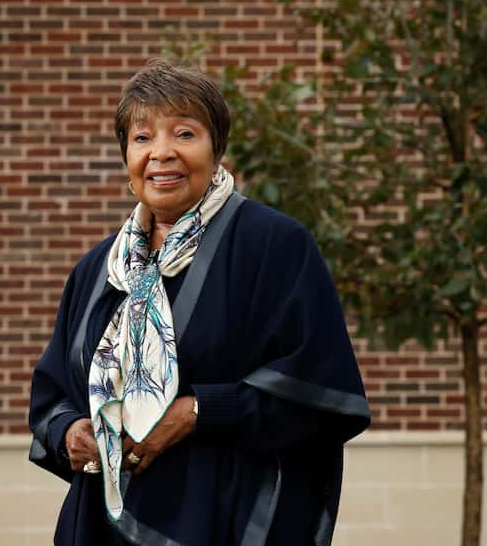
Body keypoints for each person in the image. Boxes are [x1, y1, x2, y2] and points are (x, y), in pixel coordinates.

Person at [28, 58, 370, 546]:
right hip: (98, 525)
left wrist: (195, 412)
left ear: (217, 149)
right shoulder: (98, 269)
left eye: (184, 133)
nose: (161, 153)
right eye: (142, 137)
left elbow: (320, 393)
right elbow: (52, 391)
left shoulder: (272, 246)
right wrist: (68, 430)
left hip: (222, 519)